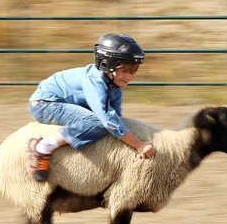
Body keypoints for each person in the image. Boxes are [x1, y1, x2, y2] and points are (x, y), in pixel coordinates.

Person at [26, 33, 155, 183]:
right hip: (44, 104)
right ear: (107, 65)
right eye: (124, 71)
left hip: (62, 103)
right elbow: (108, 120)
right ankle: (42, 147)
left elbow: (117, 118)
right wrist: (138, 144)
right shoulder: (95, 81)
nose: (129, 77)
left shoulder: (115, 86)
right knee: (96, 123)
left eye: (133, 72)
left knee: (106, 124)